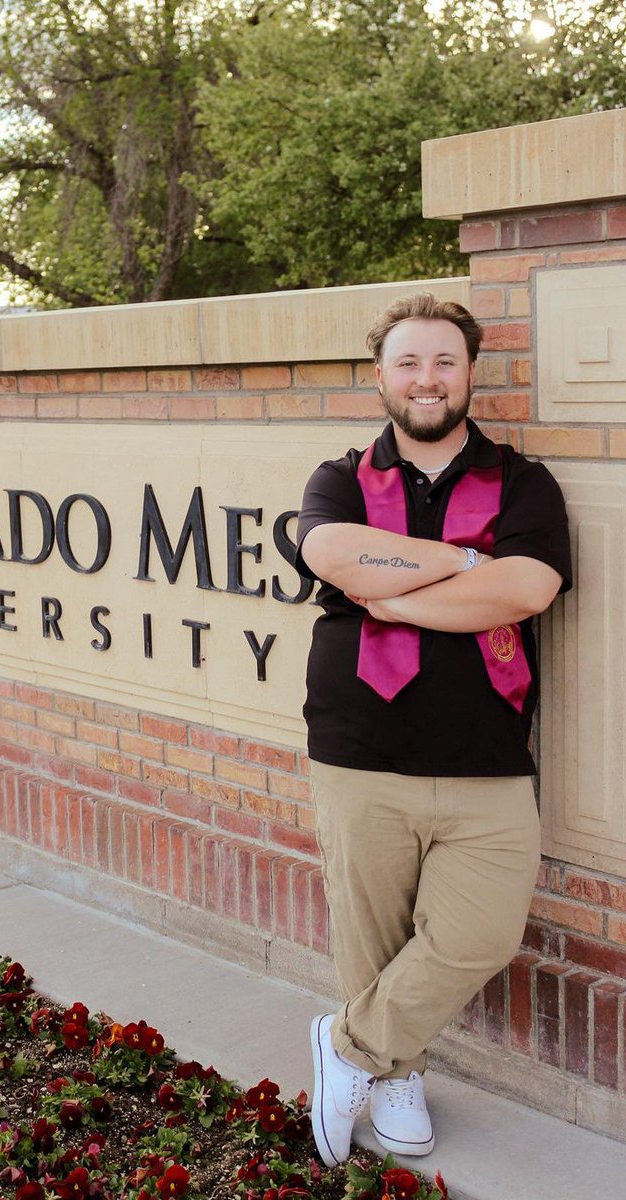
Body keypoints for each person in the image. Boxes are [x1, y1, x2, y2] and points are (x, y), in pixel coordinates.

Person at [296, 292, 571, 1168]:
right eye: (409, 362)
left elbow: (527, 589)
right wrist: (462, 562)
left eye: (444, 362)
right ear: (381, 376)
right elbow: (332, 556)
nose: (427, 379)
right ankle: (396, 1072)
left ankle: (346, 1048)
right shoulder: (340, 481)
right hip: (360, 750)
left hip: (488, 757)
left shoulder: (521, 483)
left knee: (480, 934)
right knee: (371, 938)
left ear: (470, 375)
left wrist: (397, 587)